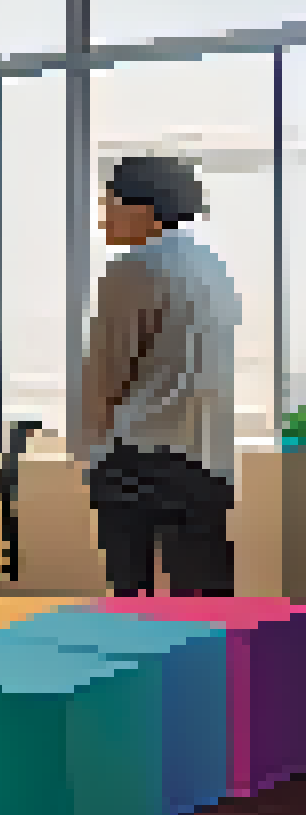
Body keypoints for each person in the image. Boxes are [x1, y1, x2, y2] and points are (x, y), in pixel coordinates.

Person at [84, 155, 240, 599]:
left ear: (144, 207)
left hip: (139, 460)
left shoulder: (133, 268)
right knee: (207, 607)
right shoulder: (213, 267)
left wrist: (90, 457)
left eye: (109, 202)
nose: (103, 214)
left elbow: (106, 375)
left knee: (135, 611)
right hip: (207, 461)